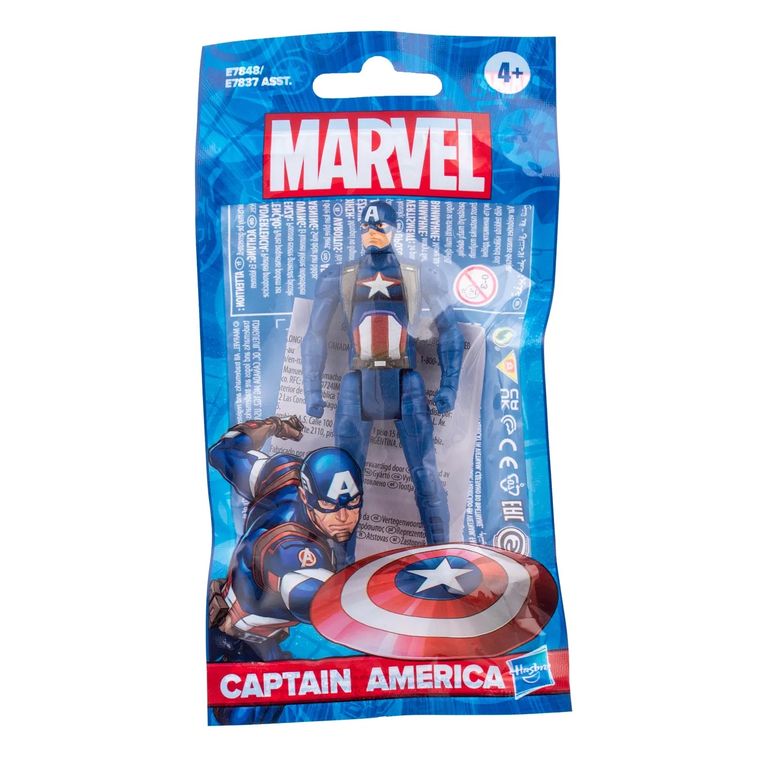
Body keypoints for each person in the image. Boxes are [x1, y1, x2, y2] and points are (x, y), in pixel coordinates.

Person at [302, 200, 463, 544]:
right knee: (343, 481)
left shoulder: (418, 274)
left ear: (394, 229)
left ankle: (441, 553)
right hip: (357, 382)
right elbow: (314, 335)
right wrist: (311, 390)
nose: (372, 233)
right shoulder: (339, 276)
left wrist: (449, 385)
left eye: (380, 226)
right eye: (366, 227)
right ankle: (341, 564)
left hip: (405, 380)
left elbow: (450, 331)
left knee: (425, 476)